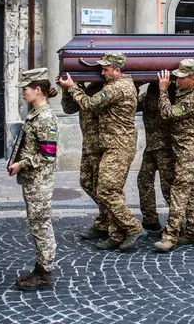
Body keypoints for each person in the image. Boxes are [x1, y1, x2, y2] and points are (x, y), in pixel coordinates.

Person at [58, 52, 146, 252]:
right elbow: (73, 107)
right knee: (102, 188)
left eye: (105, 69)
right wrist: (71, 86)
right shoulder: (108, 85)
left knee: (107, 190)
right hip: (107, 144)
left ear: (117, 70)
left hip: (119, 145)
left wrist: (72, 86)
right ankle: (112, 232)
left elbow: (89, 104)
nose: (101, 72)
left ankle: (133, 227)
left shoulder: (119, 87)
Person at [7, 68, 59, 291]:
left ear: (38, 90)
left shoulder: (46, 117)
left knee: (41, 225)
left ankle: (45, 272)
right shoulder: (35, 113)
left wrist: (22, 164)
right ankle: (41, 268)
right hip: (32, 180)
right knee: (36, 224)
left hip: (40, 181)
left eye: (25, 89)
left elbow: (48, 154)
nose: (23, 93)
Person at [154, 59, 194, 253]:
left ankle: (170, 236)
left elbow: (168, 113)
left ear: (193, 79)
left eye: (182, 78)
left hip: (190, 149)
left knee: (179, 189)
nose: (176, 80)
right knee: (188, 188)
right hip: (182, 147)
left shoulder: (193, 99)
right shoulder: (185, 90)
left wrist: (162, 89)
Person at [58, 80, 109, 240]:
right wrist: (67, 89)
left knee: (104, 187)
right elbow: (69, 108)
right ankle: (107, 219)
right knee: (87, 182)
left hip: (102, 145)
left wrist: (73, 87)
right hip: (88, 144)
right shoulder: (81, 88)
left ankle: (110, 223)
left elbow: (89, 105)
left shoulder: (105, 89)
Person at [137, 82, 177, 232]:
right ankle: (150, 219)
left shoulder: (171, 95)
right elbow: (132, 105)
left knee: (168, 186)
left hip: (166, 147)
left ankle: (176, 223)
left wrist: (163, 90)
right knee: (144, 181)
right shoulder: (147, 96)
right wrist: (133, 85)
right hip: (151, 147)